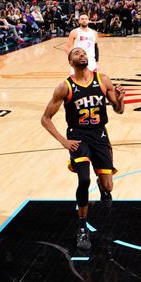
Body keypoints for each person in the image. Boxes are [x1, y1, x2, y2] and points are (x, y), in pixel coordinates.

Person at [41, 48, 125, 251]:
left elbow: (119, 110)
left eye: (83, 53)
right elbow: (45, 118)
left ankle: (103, 185)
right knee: (83, 179)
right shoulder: (65, 87)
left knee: (108, 187)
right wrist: (63, 141)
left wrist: (120, 99)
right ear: (70, 62)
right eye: (76, 54)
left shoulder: (103, 79)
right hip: (78, 136)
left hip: (99, 135)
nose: (81, 55)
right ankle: (81, 227)